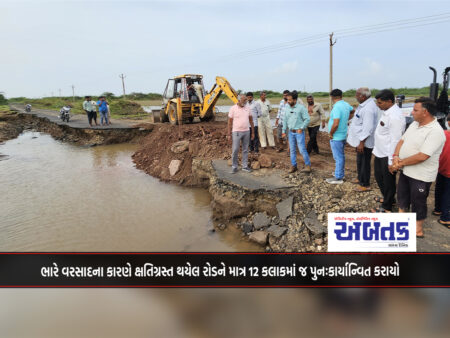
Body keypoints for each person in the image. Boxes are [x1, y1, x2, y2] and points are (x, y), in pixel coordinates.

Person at [393, 97, 446, 238]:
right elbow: (402, 140)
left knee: (418, 201)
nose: (412, 112)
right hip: (406, 170)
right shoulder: (415, 124)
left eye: (415, 110)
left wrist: (400, 163)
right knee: (402, 196)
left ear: (425, 112)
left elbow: (423, 156)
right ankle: (401, 222)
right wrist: (396, 156)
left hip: (421, 174)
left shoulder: (435, 131)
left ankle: (417, 229)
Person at [371, 89, 405, 212]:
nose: (377, 105)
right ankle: (389, 199)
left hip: (387, 154)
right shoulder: (387, 112)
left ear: (389, 101)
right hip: (380, 152)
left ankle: (387, 207)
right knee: (379, 177)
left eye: (380, 103)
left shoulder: (395, 116)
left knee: (388, 181)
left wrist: (392, 161)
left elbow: (395, 140)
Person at [346, 87, 379, 192]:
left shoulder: (368, 108)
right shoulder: (364, 105)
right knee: (360, 161)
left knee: (365, 162)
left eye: (357, 95)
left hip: (364, 142)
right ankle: (360, 178)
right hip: (359, 141)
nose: (355, 96)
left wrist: (361, 143)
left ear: (363, 96)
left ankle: (365, 184)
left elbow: (368, 128)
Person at [326, 89, 354, 184]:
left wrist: (331, 133)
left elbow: (336, 123)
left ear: (332, 97)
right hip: (342, 134)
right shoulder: (346, 104)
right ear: (341, 96)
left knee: (338, 157)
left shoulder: (337, 107)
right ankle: (339, 173)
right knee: (340, 156)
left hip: (336, 136)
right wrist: (346, 119)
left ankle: (338, 177)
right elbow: (353, 111)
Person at [281, 91, 311, 173]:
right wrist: (283, 131)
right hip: (291, 132)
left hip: (299, 132)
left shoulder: (301, 108)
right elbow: (285, 120)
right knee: (292, 150)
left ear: (295, 100)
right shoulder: (287, 108)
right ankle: (294, 166)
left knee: (301, 149)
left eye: (290, 100)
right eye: (287, 100)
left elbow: (307, 119)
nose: (288, 101)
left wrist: (302, 128)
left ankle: (308, 165)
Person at [227, 94, 255, 174]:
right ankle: (234, 166)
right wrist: (229, 134)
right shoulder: (233, 108)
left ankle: (245, 166)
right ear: (239, 100)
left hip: (246, 131)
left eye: (246, 100)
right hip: (236, 132)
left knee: (245, 149)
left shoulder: (248, 108)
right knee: (235, 149)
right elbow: (229, 122)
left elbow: (251, 121)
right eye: (244, 100)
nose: (245, 102)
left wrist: (252, 132)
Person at [433, 123, 450, 228]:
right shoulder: (442, 134)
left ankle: (438, 209)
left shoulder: (442, 134)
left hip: (441, 167)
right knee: (447, 194)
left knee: (439, 188)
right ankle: (446, 218)